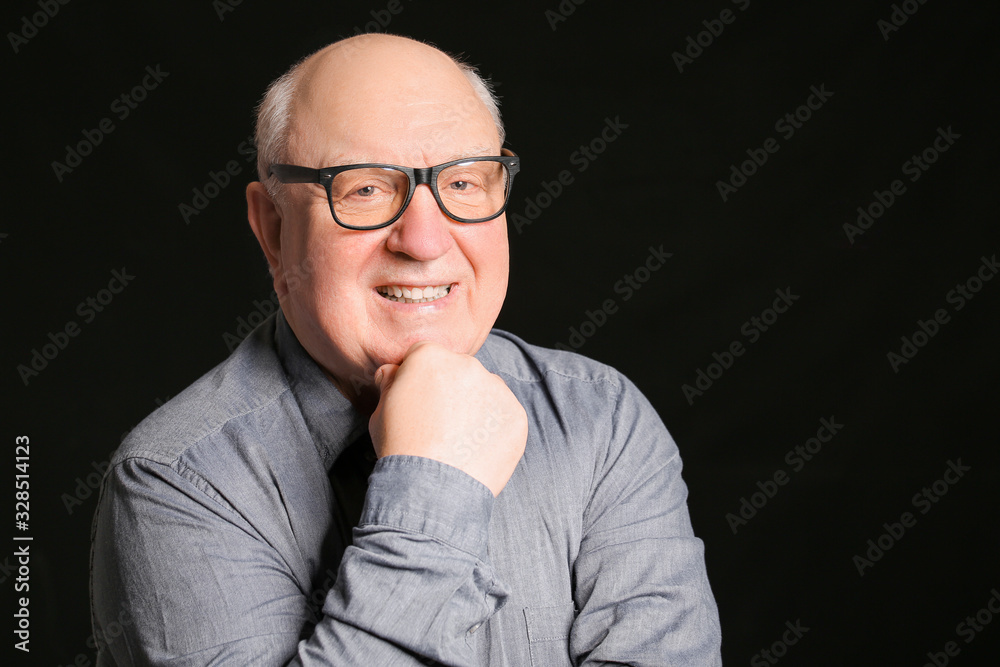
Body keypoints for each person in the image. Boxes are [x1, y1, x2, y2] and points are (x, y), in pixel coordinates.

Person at [90, 34, 722, 666]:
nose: (423, 240)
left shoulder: (603, 420)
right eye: (364, 189)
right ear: (274, 231)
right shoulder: (176, 482)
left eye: (465, 182)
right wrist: (431, 488)